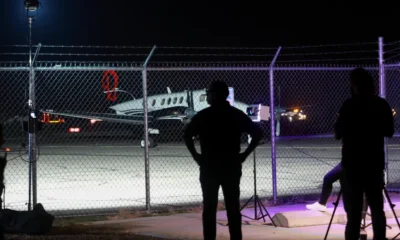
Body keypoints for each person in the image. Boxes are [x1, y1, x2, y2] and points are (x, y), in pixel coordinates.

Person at [184, 80, 262, 240]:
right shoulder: (236, 114)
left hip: (209, 166)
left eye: (209, 93)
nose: (207, 96)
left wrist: (196, 156)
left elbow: (187, 135)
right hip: (231, 166)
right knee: (233, 208)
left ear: (215, 95)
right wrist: (244, 155)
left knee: (209, 209)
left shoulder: (204, 115)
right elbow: (258, 134)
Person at [335, 68, 394, 240]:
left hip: (353, 164)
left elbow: (338, 133)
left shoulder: (349, 105)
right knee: (377, 208)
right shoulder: (381, 104)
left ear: (354, 85)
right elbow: (389, 131)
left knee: (353, 212)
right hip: (374, 163)